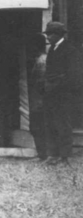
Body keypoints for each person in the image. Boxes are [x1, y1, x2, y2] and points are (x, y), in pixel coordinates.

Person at [42, 22, 82, 166]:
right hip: (51, 93)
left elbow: (74, 75)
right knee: (51, 123)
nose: (48, 37)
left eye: (50, 34)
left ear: (59, 34)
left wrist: (56, 85)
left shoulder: (70, 50)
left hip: (63, 94)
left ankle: (65, 157)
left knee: (63, 124)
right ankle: (53, 154)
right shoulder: (53, 49)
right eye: (47, 34)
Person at [27, 33, 49, 162]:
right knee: (37, 127)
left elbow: (41, 83)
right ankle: (42, 154)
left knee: (39, 126)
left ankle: (43, 154)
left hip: (40, 101)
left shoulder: (42, 61)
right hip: (38, 101)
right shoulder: (40, 60)